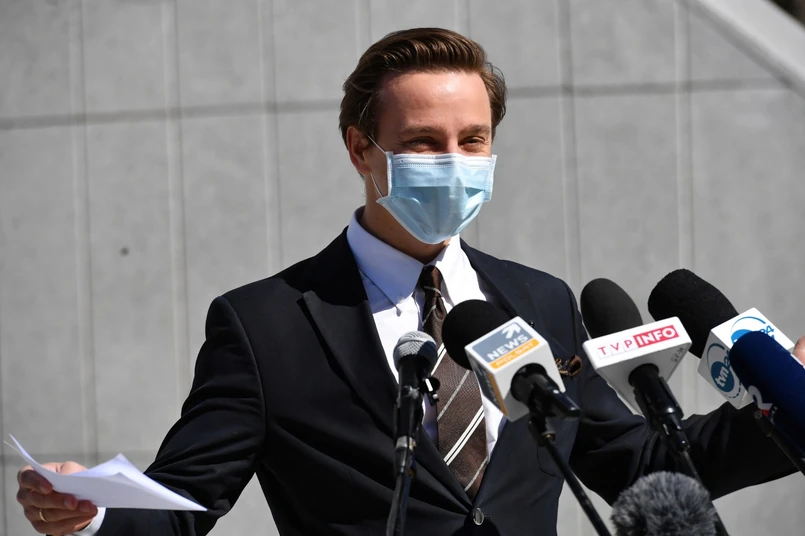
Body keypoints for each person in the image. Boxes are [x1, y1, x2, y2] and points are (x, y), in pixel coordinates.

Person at [14, 28, 802, 536]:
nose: (454, 162)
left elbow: (635, 464)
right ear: (360, 149)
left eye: (473, 139)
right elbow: (185, 501)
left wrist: (788, 405)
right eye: (423, 143)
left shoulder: (540, 301)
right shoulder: (265, 325)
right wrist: (92, 512)